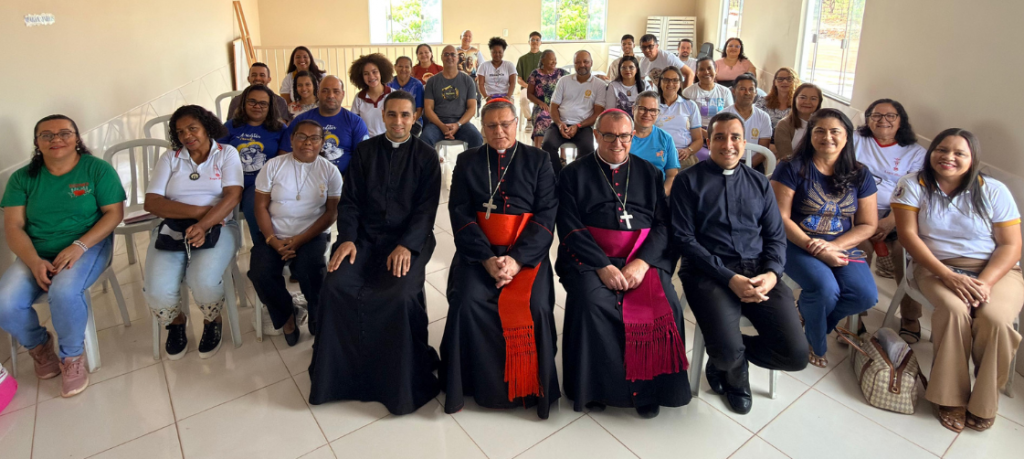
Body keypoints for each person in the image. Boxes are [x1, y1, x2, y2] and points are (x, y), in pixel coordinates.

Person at [309, 91, 442, 415]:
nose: (398, 122)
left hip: (410, 241)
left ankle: (398, 379)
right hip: (364, 240)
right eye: (392, 115)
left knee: (398, 294)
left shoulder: (426, 157)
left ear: (415, 118)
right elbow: (350, 201)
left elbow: (426, 212)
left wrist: (407, 245)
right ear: (383, 117)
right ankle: (341, 376)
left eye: (405, 115)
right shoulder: (366, 151)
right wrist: (348, 239)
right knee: (337, 285)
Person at [671, 112, 808, 414]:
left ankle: (733, 355)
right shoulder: (688, 181)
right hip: (707, 273)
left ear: (745, 143)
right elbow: (684, 239)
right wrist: (728, 277)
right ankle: (734, 374)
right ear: (709, 141)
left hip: (759, 271)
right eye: (720, 137)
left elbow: (775, 237)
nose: (728, 144)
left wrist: (772, 274)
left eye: (735, 137)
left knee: (796, 355)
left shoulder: (760, 184)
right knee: (726, 349)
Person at [558, 109, 690, 419]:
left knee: (665, 303)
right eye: (609, 135)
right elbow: (569, 225)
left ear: (632, 137)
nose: (617, 142)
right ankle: (595, 388)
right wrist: (602, 266)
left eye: (624, 136)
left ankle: (650, 390)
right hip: (591, 258)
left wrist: (643, 263)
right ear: (596, 135)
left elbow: (661, 225)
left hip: (641, 257)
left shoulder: (648, 172)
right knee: (594, 302)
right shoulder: (573, 173)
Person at [891, 128, 1023, 433]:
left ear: (972, 158)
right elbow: (909, 237)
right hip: (935, 267)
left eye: (959, 153)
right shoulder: (912, 185)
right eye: (941, 149)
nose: (948, 157)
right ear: (931, 151)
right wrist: (948, 275)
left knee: (996, 318)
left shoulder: (993, 190)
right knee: (953, 311)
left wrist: (985, 283)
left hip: (996, 270)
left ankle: (984, 401)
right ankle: (949, 396)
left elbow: (1010, 246)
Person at [441, 99, 559, 419]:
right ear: (482, 128)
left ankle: (529, 385)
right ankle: (473, 383)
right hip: (478, 254)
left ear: (517, 123)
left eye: (505, 124)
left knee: (534, 307)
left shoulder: (538, 159)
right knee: (467, 301)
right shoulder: (467, 161)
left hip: (526, 255)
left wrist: (517, 260)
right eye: (491, 126)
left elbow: (547, 215)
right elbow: (460, 212)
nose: (499, 132)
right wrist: (487, 259)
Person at [0, 115, 126, 398]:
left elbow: (114, 214)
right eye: (47, 135)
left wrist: (79, 246)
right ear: (36, 142)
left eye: (64, 133)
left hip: (89, 245)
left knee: (65, 291)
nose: (56, 139)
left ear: (77, 138)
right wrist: (33, 261)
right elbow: (13, 227)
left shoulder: (97, 170)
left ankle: (72, 357)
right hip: (37, 252)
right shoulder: (22, 179)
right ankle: (40, 346)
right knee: (4, 302)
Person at [770, 109, 879, 368]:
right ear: (810, 136)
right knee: (825, 290)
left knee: (865, 296)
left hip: (840, 244)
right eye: (819, 131)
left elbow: (867, 224)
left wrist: (833, 246)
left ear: (847, 137)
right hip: (795, 242)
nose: (826, 137)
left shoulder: (860, 174)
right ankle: (815, 342)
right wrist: (815, 248)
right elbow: (780, 219)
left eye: (834, 132)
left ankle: (811, 318)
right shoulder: (791, 167)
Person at [143, 105, 243, 360]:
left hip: (220, 225)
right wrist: (199, 212)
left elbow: (232, 196)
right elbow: (152, 202)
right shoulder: (171, 158)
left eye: (192, 128)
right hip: (174, 226)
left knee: (203, 280)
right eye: (180, 132)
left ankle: (212, 320)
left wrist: (204, 223)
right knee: (157, 289)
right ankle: (176, 322)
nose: (187, 136)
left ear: (207, 127)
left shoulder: (226, 154)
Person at [248, 120, 341, 345]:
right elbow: (260, 206)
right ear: (292, 139)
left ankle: (317, 316)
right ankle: (287, 315)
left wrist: (299, 240)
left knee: (311, 269)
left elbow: (331, 214)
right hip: (274, 233)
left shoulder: (330, 171)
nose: (307, 142)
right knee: (260, 271)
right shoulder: (273, 165)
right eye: (301, 136)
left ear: (322, 143)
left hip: (312, 234)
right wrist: (272, 239)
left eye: (314, 138)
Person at [852, 99, 927, 341]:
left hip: (898, 214)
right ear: (868, 119)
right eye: (876, 115)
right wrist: (866, 220)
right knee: (856, 251)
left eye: (890, 116)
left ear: (901, 120)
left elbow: (915, 192)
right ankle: (854, 314)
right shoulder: (855, 140)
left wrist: (891, 221)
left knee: (905, 254)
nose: (883, 120)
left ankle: (910, 316)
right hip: (856, 210)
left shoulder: (916, 152)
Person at [218, 84, 288, 243]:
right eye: (252, 102)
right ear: (243, 104)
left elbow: (283, 162)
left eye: (263, 103)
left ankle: (264, 247)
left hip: (261, 184)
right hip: (229, 182)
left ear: (270, 107)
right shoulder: (231, 126)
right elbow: (217, 154)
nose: (257, 106)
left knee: (254, 204)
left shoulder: (280, 129)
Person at [282, 76, 369, 175]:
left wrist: (349, 182)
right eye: (325, 91)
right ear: (318, 93)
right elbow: (284, 151)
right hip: (305, 181)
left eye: (336, 91)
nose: (330, 95)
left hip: (344, 182)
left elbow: (363, 158)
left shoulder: (355, 122)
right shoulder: (301, 120)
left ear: (343, 94)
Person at [543, 50, 607, 175]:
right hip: (560, 123)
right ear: (574, 64)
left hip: (583, 126)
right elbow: (554, 106)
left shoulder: (599, 85)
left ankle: (573, 175)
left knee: (588, 150)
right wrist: (560, 124)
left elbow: (597, 114)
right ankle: (559, 175)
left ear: (591, 63)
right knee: (547, 145)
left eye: (585, 61)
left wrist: (578, 126)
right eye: (578, 62)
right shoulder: (564, 81)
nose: (582, 65)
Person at [421, 45, 483, 149]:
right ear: (441, 57)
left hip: (461, 124)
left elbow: (472, 108)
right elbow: (428, 109)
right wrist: (441, 126)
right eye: (446, 54)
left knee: (477, 138)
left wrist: (457, 124)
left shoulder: (468, 81)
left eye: (453, 54)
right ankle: (432, 165)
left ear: (457, 58)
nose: (450, 57)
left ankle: (470, 165)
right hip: (437, 124)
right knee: (424, 139)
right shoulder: (432, 81)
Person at [631, 91, 680, 195]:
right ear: (633, 109)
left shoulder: (666, 138)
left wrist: (660, 197)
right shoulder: (621, 137)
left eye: (653, 110)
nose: (647, 114)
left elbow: (672, 175)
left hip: (658, 194)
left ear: (658, 113)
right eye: (642, 109)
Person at [655, 67, 703, 170]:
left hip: (682, 156)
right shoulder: (652, 104)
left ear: (680, 83)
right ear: (660, 82)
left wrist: (688, 151)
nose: (670, 83)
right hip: (656, 154)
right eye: (666, 80)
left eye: (675, 80)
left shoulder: (690, 105)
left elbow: (698, 139)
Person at [722, 73, 772, 168]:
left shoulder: (764, 117)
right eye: (742, 89)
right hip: (727, 162)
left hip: (753, 165)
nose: (747, 93)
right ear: (733, 91)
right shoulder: (722, 116)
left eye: (751, 89)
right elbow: (719, 147)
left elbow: (763, 149)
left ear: (756, 92)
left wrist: (746, 167)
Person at [527, 50, 569, 149]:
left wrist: (596, 76)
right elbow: (529, 94)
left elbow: (577, 77)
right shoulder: (535, 74)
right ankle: (539, 153)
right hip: (541, 107)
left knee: (565, 119)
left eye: (555, 59)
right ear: (543, 61)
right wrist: (540, 102)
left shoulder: (561, 73)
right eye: (551, 60)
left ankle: (562, 157)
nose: (554, 62)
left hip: (558, 108)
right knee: (542, 119)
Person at [227, 62, 293, 123]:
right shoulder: (236, 101)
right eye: (254, 75)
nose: (258, 78)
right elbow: (230, 127)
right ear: (248, 79)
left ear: (269, 79)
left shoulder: (279, 101)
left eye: (262, 75)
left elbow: (282, 127)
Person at [349, 53, 395, 137]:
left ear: (381, 72)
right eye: (366, 74)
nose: (371, 76)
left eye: (374, 72)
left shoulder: (393, 95)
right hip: (367, 143)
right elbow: (354, 124)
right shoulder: (359, 98)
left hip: (390, 141)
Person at [681, 57, 734, 128]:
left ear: (716, 70)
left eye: (709, 68)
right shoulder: (688, 92)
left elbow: (730, 117)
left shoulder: (725, 92)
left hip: (720, 130)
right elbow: (685, 120)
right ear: (697, 73)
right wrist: (705, 134)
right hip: (696, 132)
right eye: (701, 69)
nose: (706, 72)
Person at [774, 83, 822, 160]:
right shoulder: (784, 125)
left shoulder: (824, 125)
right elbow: (786, 158)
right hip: (793, 169)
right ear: (795, 100)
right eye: (803, 97)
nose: (807, 102)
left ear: (819, 103)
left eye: (813, 99)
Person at [389, 56, 426, 136]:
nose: (403, 69)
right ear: (395, 67)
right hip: (393, 121)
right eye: (400, 66)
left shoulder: (417, 85)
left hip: (413, 122)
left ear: (411, 69)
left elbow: (419, 109)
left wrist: (409, 122)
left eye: (407, 67)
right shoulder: (389, 83)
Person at [516, 31, 543, 119]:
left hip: (542, 88)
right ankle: (529, 119)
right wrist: (529, 86)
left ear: (540, 42)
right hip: (527, 88)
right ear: (529, 42)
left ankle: (543, 120)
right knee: (523, 100)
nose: (535, 41)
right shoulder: (522, 59)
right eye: (533, 40)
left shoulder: (545, 58)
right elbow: (519, 79)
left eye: (537, 40)